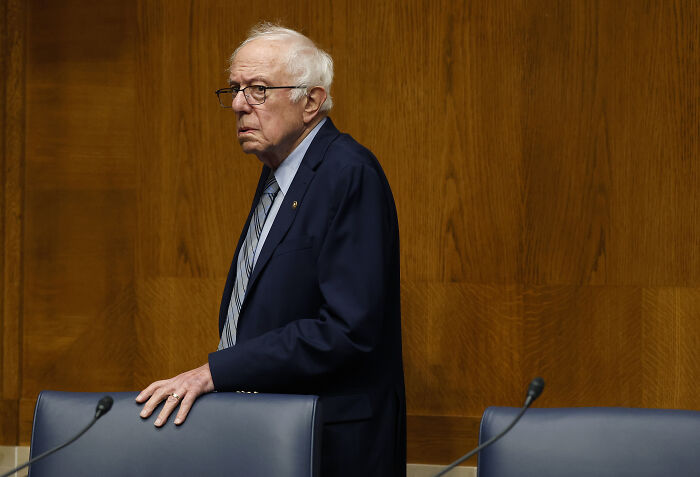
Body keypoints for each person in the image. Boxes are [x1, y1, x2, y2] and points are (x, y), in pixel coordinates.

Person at [136, 23, 406, 476]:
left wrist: (216, 372)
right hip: (269, 435)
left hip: (331, 447)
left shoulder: (347, 173)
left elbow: (348, 329)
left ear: (312, 102)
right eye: (237, 89)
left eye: (259, 90)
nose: (240, 105)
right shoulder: (280, 174)